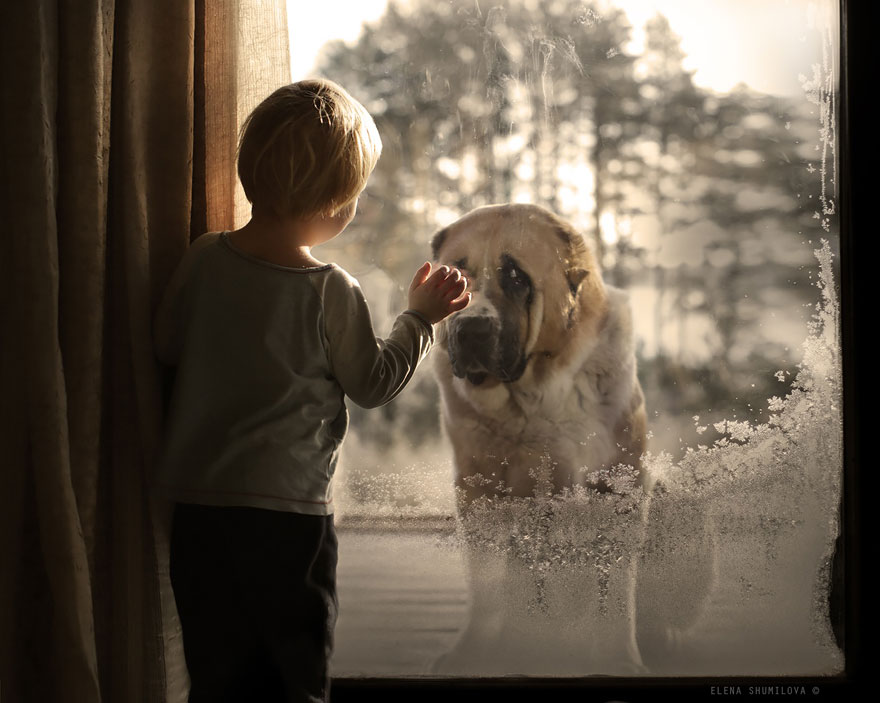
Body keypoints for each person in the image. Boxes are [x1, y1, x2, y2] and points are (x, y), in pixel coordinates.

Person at [154, 78, 470, 702]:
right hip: (287, 514)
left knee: (216, 672)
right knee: (293, 670)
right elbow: (373, 383)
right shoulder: (329, 289)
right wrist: (419, 321)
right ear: (335, 204)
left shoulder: (202, 258)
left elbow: (167, 345)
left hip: (199, 507)